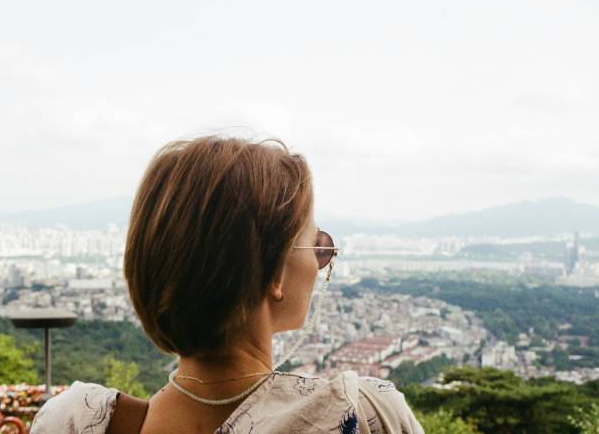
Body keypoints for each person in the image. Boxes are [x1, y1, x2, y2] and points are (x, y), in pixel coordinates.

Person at [31, 135, 424, 433]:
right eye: (317, 244)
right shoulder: (362, 414)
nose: (322, 261)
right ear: (273, 274)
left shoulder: (72, 421)